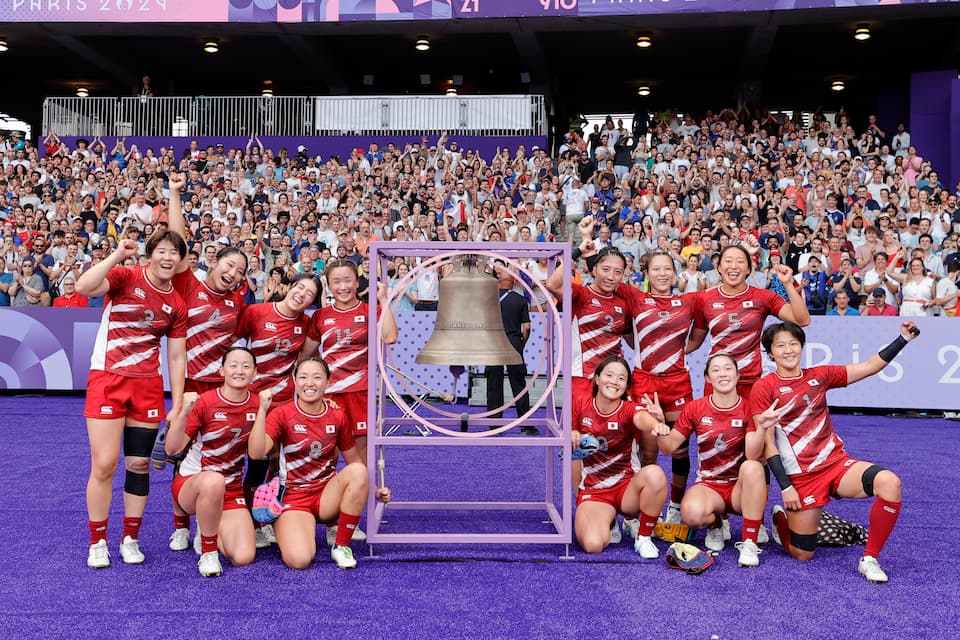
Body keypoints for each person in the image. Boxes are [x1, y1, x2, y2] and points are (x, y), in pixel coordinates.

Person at [752, 321, 918, 583]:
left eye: (793, 343)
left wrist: (903, 339)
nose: (788, 350)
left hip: (836, 465)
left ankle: (869, 559)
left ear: (802, 347)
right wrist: (785, 487)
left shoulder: (820, 375)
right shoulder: (764, 387)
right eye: (780, 345)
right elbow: (768, 444)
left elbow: (868, 367)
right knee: (802, 554)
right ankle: (781, 520)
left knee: (889, 482)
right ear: (771, 352)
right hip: (802, 478)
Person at [75, 232, 188, 569]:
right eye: (161, 251)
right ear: (150, 254)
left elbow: (177, 358)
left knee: (139, 466)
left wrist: (178, 403)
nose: (167, 258)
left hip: (148, 388)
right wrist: (116, 254)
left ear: (181, 260)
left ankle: (130, 538)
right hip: (108, 380)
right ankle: (98, 541)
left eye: (174, 253)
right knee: (105, 464)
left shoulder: (177, 305)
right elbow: (83, 287)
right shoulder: (125, 276)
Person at [247, 358, 392, 570]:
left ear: (327, 383)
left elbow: (354, 462)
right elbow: (255, 452)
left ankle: (341, 546)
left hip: (326, 496)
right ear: (295, 382)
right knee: (299, 560)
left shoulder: (337, 415)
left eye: (317, 377)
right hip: (293, 497)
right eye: (303, 377)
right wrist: (262, 411)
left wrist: (375, 490)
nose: (310, 383)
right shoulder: (282, 414)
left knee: (359, 472)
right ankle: (287, 525)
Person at [654, 354, 774, 567]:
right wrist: (661, 425)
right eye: (716, 370)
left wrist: (763, 428)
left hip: (740, 489)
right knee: (690, 513)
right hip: (709, 486)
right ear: (708, 378)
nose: (723, 374)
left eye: (728, 369)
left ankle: (749, 542)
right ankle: (716, 524)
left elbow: (753, 453)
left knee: (753, 466)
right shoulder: (695, 408)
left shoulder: (749, 408)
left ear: (737, 376)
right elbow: (668, 447)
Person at [163, 348, 260, 577]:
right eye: (233, 365)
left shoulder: (257, 406)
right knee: (214, 480)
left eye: (246, 366)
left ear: (255, 373)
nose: (239, 371)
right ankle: (208, 552)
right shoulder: (205, 401)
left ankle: (209, 527)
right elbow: (172, 448)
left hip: (231, 489)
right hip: (193, 484)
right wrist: (184, 411)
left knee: (243, 557)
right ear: (221, 370)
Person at [304, 259, 398, 464]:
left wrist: (383, 300)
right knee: (327, 456)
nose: (343, 287)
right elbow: (307, 355)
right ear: (329, 285)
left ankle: (360, 496)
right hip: (329, 395)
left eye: (348, 280)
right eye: (336, 282)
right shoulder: (320, 316)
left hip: (360, 393)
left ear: (357, 282)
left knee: (359, 459)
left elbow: (390, 337)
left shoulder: (370, 311)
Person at [572, 356, 667, 558]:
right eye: (609, 375)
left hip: (626, 488)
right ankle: (609, 521)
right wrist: (571, 435)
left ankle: (643, 537)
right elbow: (569, 456)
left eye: (621, 378)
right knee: (593, 544)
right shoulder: (580, 404)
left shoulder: (629, 409)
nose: (614, 381)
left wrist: (655, 424)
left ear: (626, 386)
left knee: (655, 474)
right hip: (595, 491)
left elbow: (642, 418)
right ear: (597, 379)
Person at [484, 261, 533, 434]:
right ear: (513, 281)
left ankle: (494, 425)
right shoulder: (520, 300)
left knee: (494, 384)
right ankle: (525, 424)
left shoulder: (488, 299)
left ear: (498, 280)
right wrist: (521, 344)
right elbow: (526, 327)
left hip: (492, 344)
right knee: (518, 384)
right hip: (513, 343)